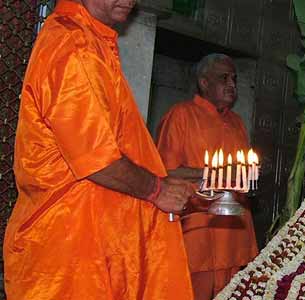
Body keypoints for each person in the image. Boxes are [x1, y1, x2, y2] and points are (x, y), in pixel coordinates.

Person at [4, 0, 196, 299]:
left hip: (95, 245)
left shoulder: (93, 40)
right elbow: (96, 160)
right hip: (69, 250)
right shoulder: (71, 44)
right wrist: (157, 190)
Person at [156, 53, 258, 300]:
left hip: (235, 234)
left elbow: (242, 173)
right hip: (199, 231)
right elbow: (164, 171)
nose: (232, 84)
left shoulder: (236, 122)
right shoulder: (181, 115)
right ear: (204, 82)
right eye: (224, 78)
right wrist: (209, 174)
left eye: (234, 78)